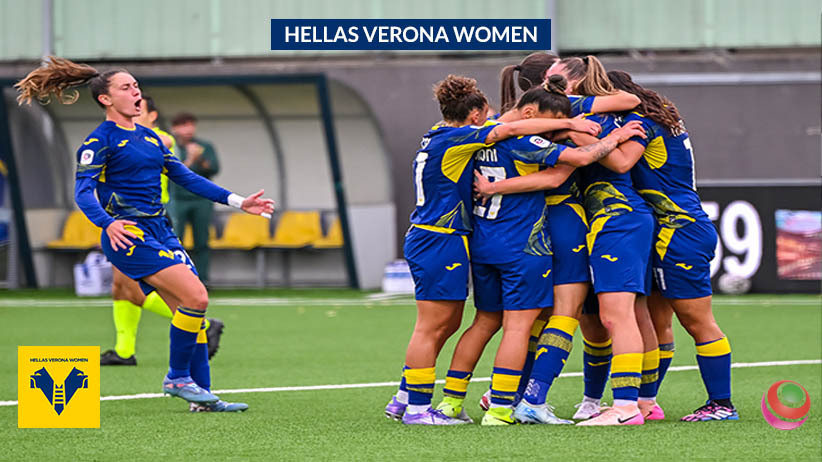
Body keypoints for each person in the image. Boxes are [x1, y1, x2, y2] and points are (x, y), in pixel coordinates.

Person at [15, 56, 274, 412]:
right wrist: (107, 223)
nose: (136, 92)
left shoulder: (151, 137)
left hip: (161, 230)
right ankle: (177, 378)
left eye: (136, 85)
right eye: (126, 87)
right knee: (197, 297)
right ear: (106, 99)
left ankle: (203, 398)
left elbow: (186, 177)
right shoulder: (99, 141)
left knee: (192, 316)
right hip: (129, 235)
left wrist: (238, 201)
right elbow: (83, 193)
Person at [384, 74, 609, 425]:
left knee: (465, 322)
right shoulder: (483, 137)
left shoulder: (440, 133)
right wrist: (586, 128)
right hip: (489, 242)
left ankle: (433, 401)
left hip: (475, 242)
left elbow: (504, 125)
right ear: (475, 115)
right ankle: (494, 408)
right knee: (480, 326)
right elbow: (550, 156)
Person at [432, 75, 646, 426]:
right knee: (559, 314)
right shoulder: (528, 139)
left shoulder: (479, 132)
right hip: (545, 229)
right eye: (556, 119)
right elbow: (563, 172)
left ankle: (453, 400)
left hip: (484, 239)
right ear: (534, 111)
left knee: (491, 321)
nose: (558, 126)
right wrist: (614, 136)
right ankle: (523, 401)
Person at [604, 70, 737, 421]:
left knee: (697, 321)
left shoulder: (640, 125)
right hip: (666, 230)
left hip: (680, 232)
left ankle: (722, 404)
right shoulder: (660, 117)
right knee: (656, 322)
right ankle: (646, 402)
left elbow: (621, 162)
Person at [100, 95, 225, 367]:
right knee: (120, 286)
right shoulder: (120, 138)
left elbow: (165, 147)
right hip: (124, 219)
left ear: (152, 116)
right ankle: (124, 351)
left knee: (134, 287)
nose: (132, 115)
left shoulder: (160, 138)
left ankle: (201, 323)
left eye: (138, 110)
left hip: (152, 222)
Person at [168, 112, 219, 284]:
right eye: (184, 125)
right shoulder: (171, 147)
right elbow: (172, 173)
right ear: (174, 129)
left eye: (191, 125)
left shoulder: (204, 146)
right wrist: (190, 159)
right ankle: (178, 280)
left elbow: (214, 168)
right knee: (175, 240)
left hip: (201, 200)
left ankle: (203, 280)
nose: (189, 129)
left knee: (202, 241)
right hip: (177, 199)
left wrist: (200, 158)